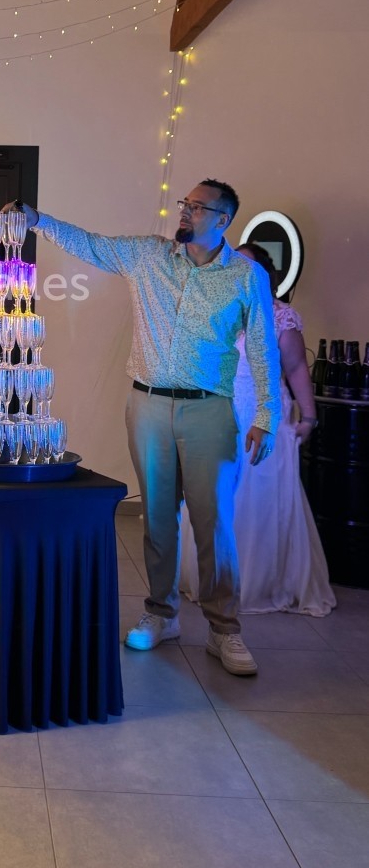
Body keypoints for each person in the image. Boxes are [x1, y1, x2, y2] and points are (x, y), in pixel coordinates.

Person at [5, 181, 281, 676]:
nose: (186, 212)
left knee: (213, 522)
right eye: (185, 204)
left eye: (198, 207)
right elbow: (90, 243)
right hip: (147, 403)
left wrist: (267, 416)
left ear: (223, 220)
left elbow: (263, 347)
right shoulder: (147, 256)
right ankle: (162, 613)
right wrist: (38, 220)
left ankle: (224, 629)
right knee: (156, 516)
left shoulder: (246, 275)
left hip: (209, 410)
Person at [179, 244, 335, 616]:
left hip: (263, 415)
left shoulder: (280, 317)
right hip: (219, 411)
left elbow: (296, 369)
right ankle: (212, 580)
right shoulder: (220, 309)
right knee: (215, 494)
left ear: (262, 274)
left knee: (260, 496)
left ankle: (259, 583)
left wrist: (309, 417)